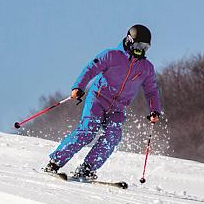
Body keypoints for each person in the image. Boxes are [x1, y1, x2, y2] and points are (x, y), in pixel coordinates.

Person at [44, 24, 162, 181]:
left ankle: (86, 169)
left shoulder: (146, 68)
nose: (141, 49)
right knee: (88, 130)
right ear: (129, 41)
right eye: (138, 45)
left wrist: (154, 110)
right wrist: (78, 87)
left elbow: (151, 91)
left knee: (113, 136)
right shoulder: (112, 55)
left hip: (118, 107)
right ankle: (54, 163)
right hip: (98, 99)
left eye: (145, 47)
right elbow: (90, 69)